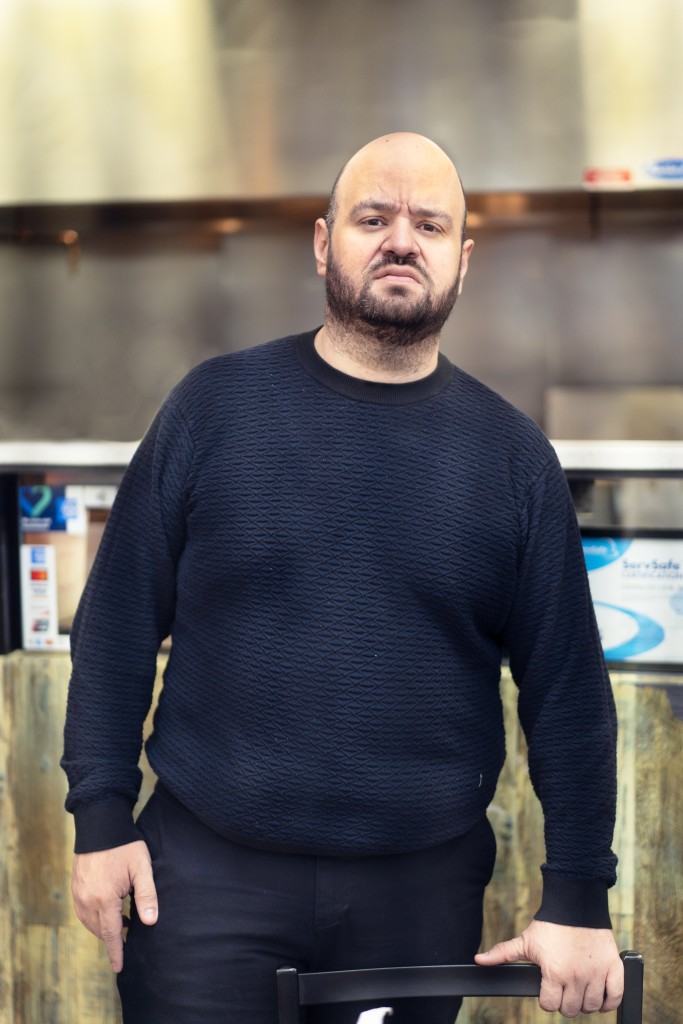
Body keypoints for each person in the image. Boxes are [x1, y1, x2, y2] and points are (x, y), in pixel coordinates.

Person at [62, 132, 624, 1024]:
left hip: (418, 898)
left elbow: (566, 694)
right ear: (324, 243)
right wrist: (99, 819)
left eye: (429, 224)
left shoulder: (514, 459)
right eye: (373, 217)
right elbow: (117, 623)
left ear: (460, 260)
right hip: (205, 886)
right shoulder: (212, 408)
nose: (401, 239)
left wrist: (579, 895)